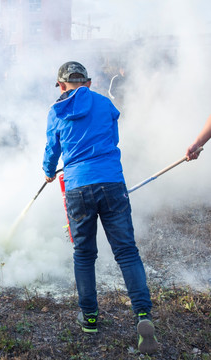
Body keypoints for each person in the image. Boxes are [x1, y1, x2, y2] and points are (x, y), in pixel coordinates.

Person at [43, 61, 158, 354]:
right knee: (127, 251)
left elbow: (52, 151)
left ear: (61, 85)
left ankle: (90, 318)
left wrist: (47, 170)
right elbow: (113, 139)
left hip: (78, 186)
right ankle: (143, 315)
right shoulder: (105, 104)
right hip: (111, 182)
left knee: (83, 254)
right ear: (89, 83)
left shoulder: (56, 111)